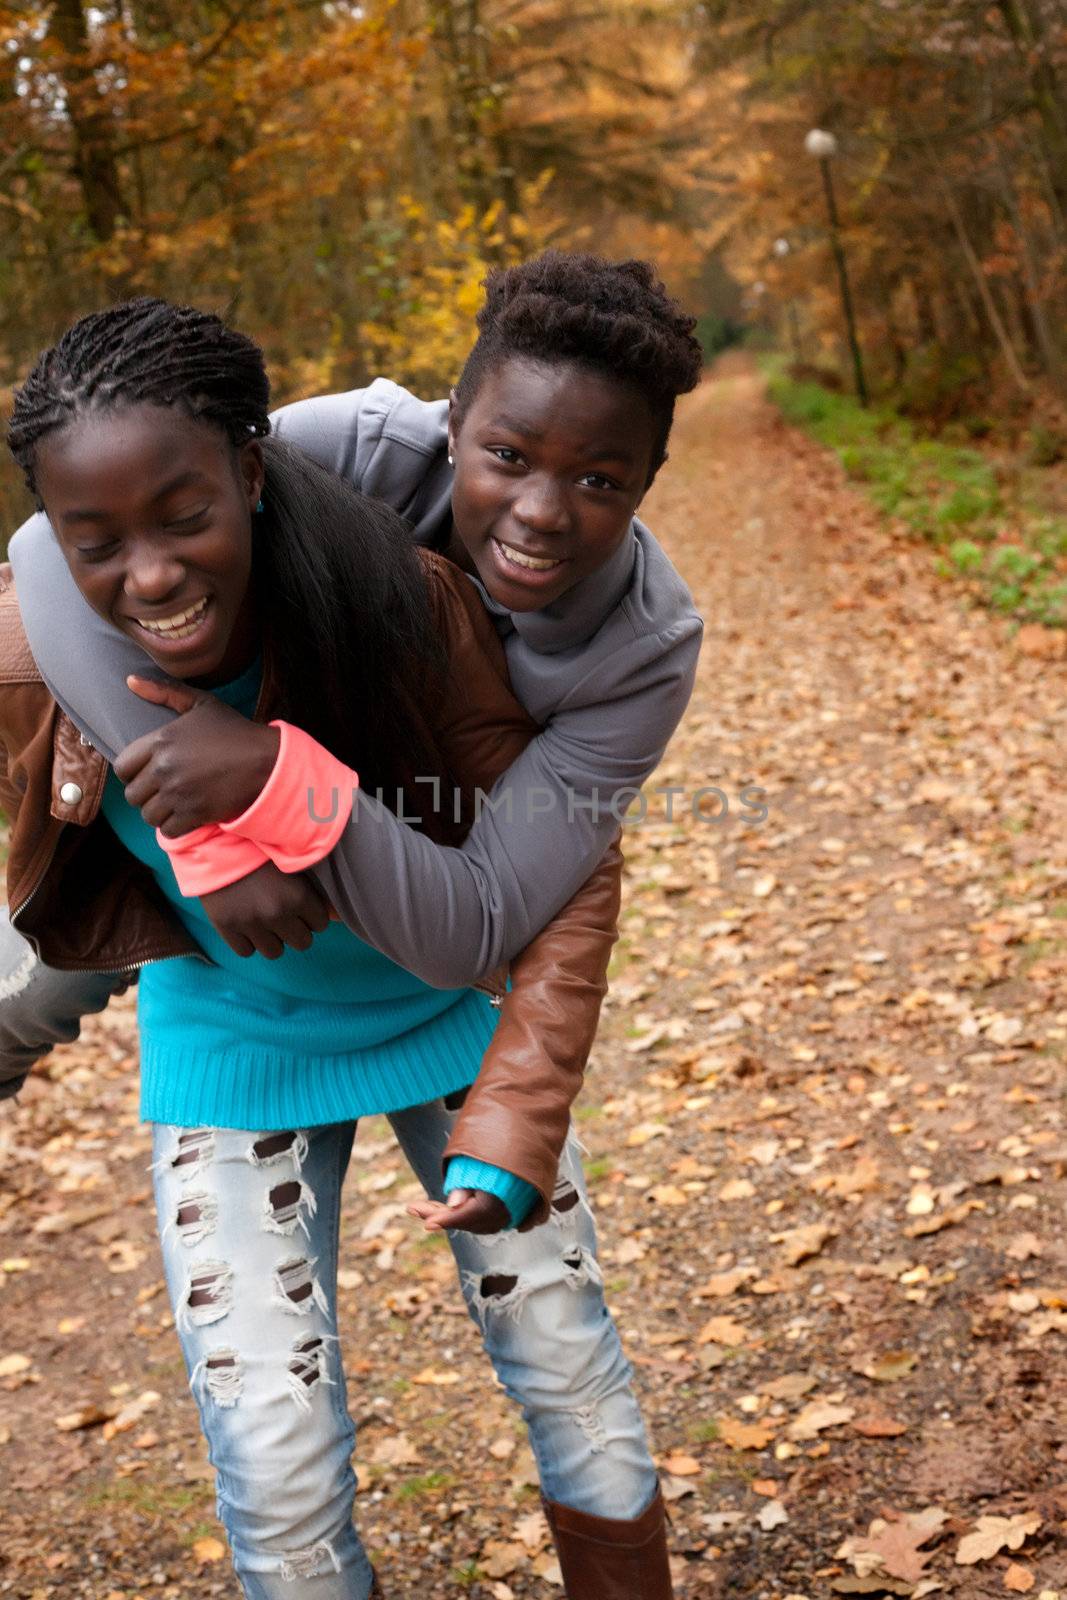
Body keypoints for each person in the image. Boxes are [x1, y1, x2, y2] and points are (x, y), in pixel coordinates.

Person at [2, 296, 688, 1598]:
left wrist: (272, 791)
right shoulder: (55, 627)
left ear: (249, 479)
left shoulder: (420, 606)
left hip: (444, 1019)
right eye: (105, 541)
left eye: (185, 518)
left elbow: (550, 886)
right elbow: (49, 556)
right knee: (274, 1445)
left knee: (563, 1349)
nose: (148, 571)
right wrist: (198, 842)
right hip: (231, 1034)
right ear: (452, 432)